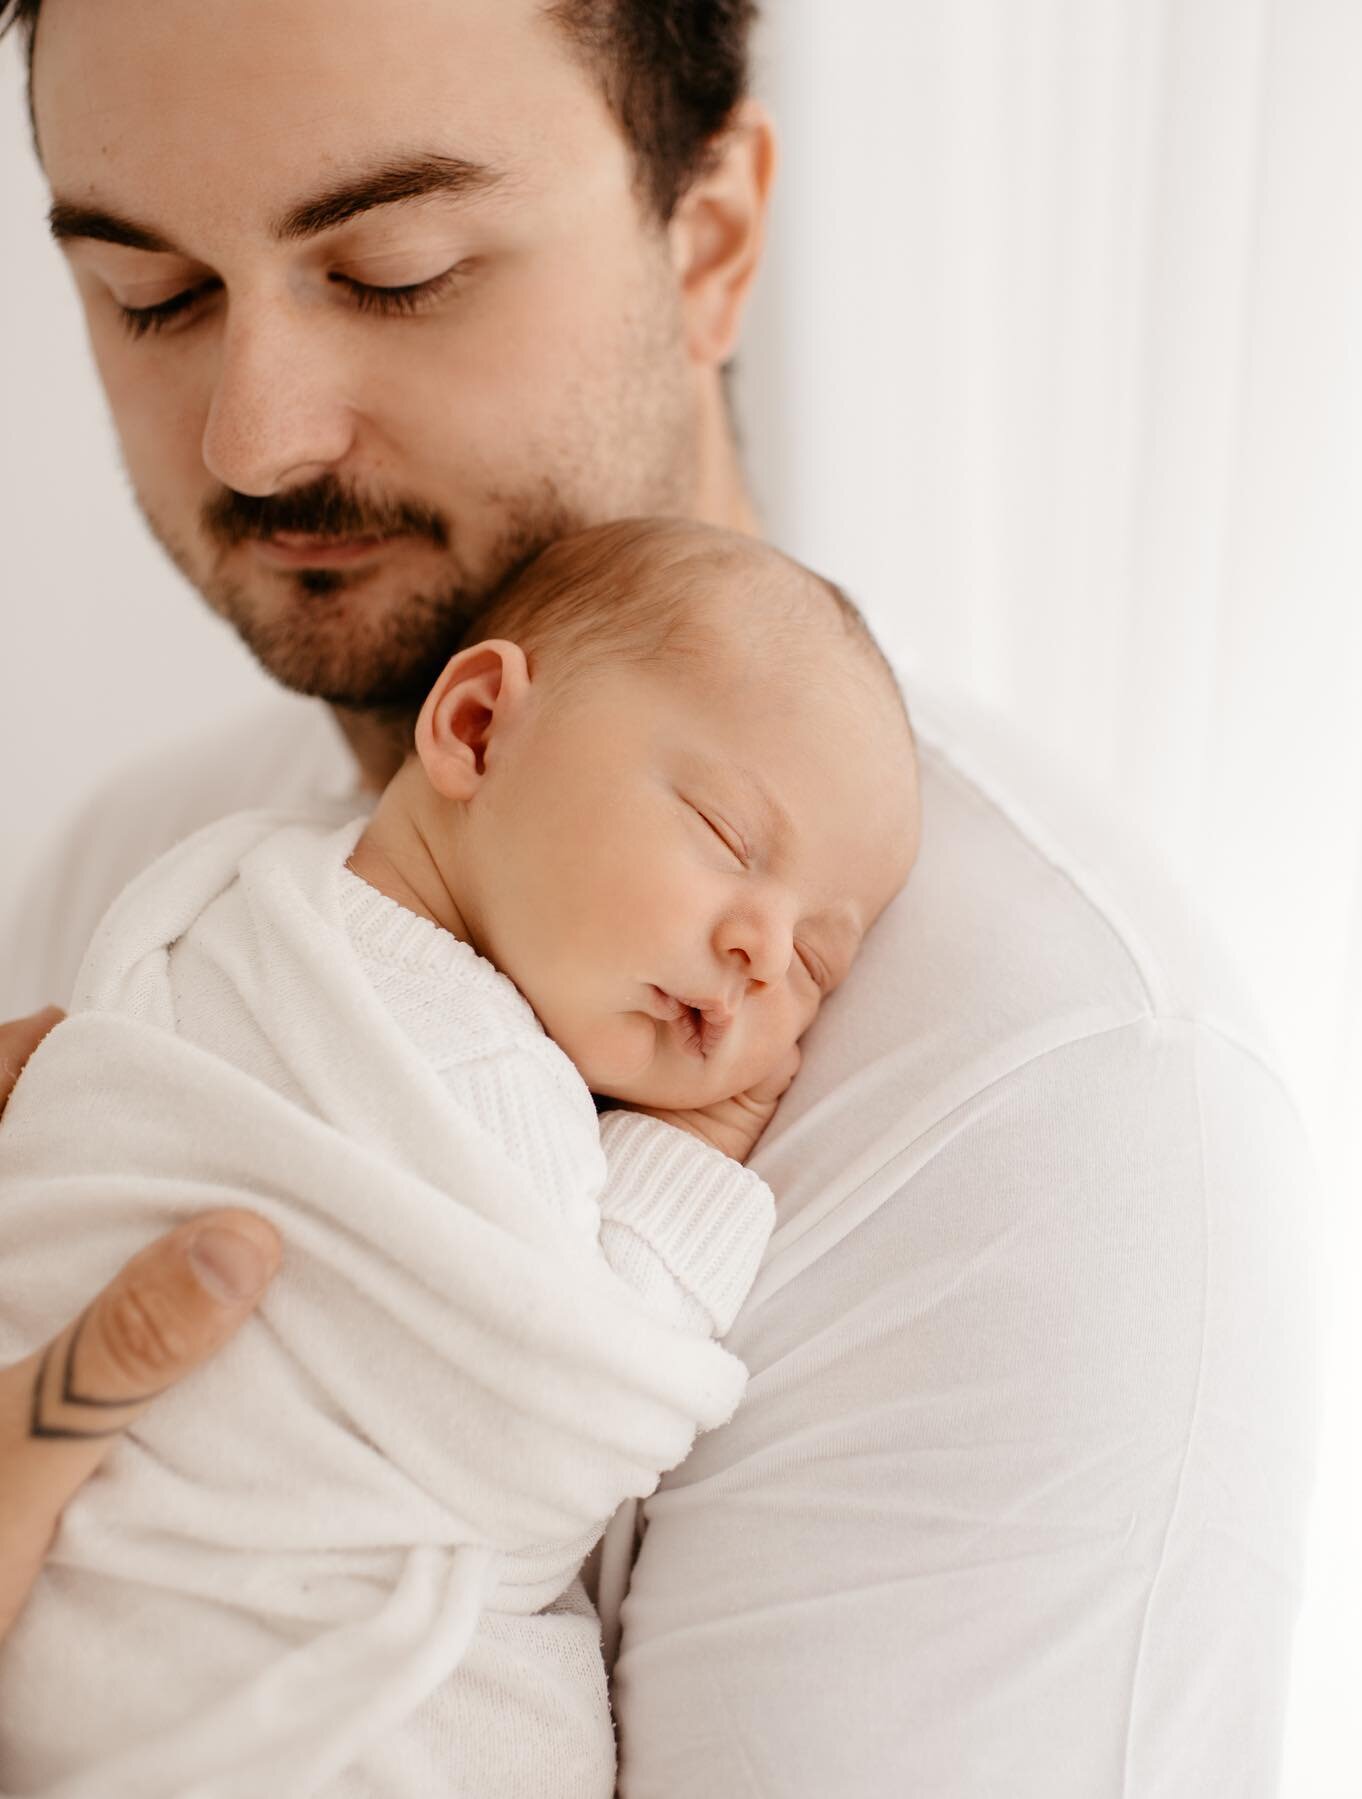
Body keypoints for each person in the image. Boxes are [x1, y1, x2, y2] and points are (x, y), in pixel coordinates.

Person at [0, 2, 1319, 1794]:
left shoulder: (1053, 1102)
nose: (253, 432)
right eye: (150, 290)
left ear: (709, 239)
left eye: (397, 269)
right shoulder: (132, 877)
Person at [0, 517, 920, 1796]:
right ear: (479, 726)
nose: (767, 949)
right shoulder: (477, 1076)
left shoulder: (224, 900)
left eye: (818, 962)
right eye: (723, 833)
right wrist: (696, 1162)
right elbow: (559, 1403)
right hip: (280, 1708)